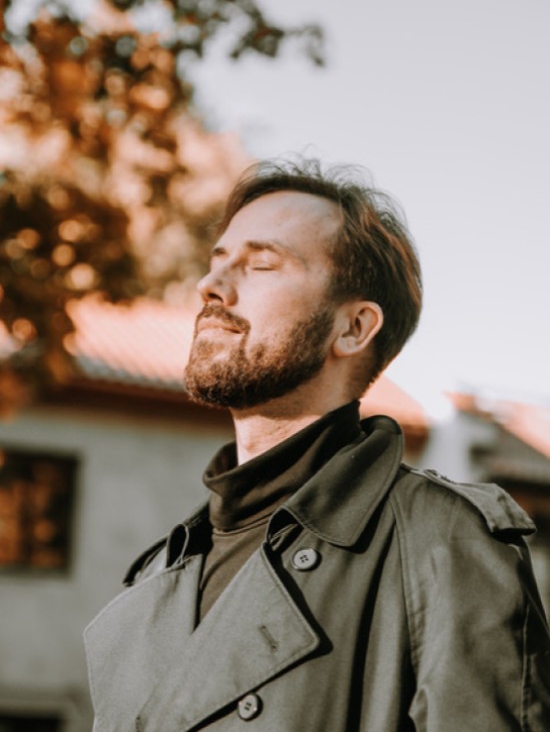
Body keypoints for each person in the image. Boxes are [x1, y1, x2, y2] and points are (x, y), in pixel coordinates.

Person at [85, 159, 550, 731]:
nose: (210, 286)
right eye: (217, 261)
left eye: (261, 263)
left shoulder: (443, 542)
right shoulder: (157, 574)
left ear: (353, 328)